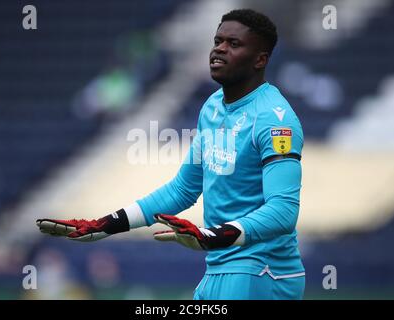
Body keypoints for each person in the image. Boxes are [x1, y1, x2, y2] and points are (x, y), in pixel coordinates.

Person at [37, 9, 305, 300]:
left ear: (260, 60)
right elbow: (183, 189)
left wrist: (211, 236)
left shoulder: (275, 120)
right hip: (219, 266)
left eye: (234, 44)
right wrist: (105, 225)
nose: (219, 49)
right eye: (218, 40)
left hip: (261, 271)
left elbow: (283, 212)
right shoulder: (213, 106)